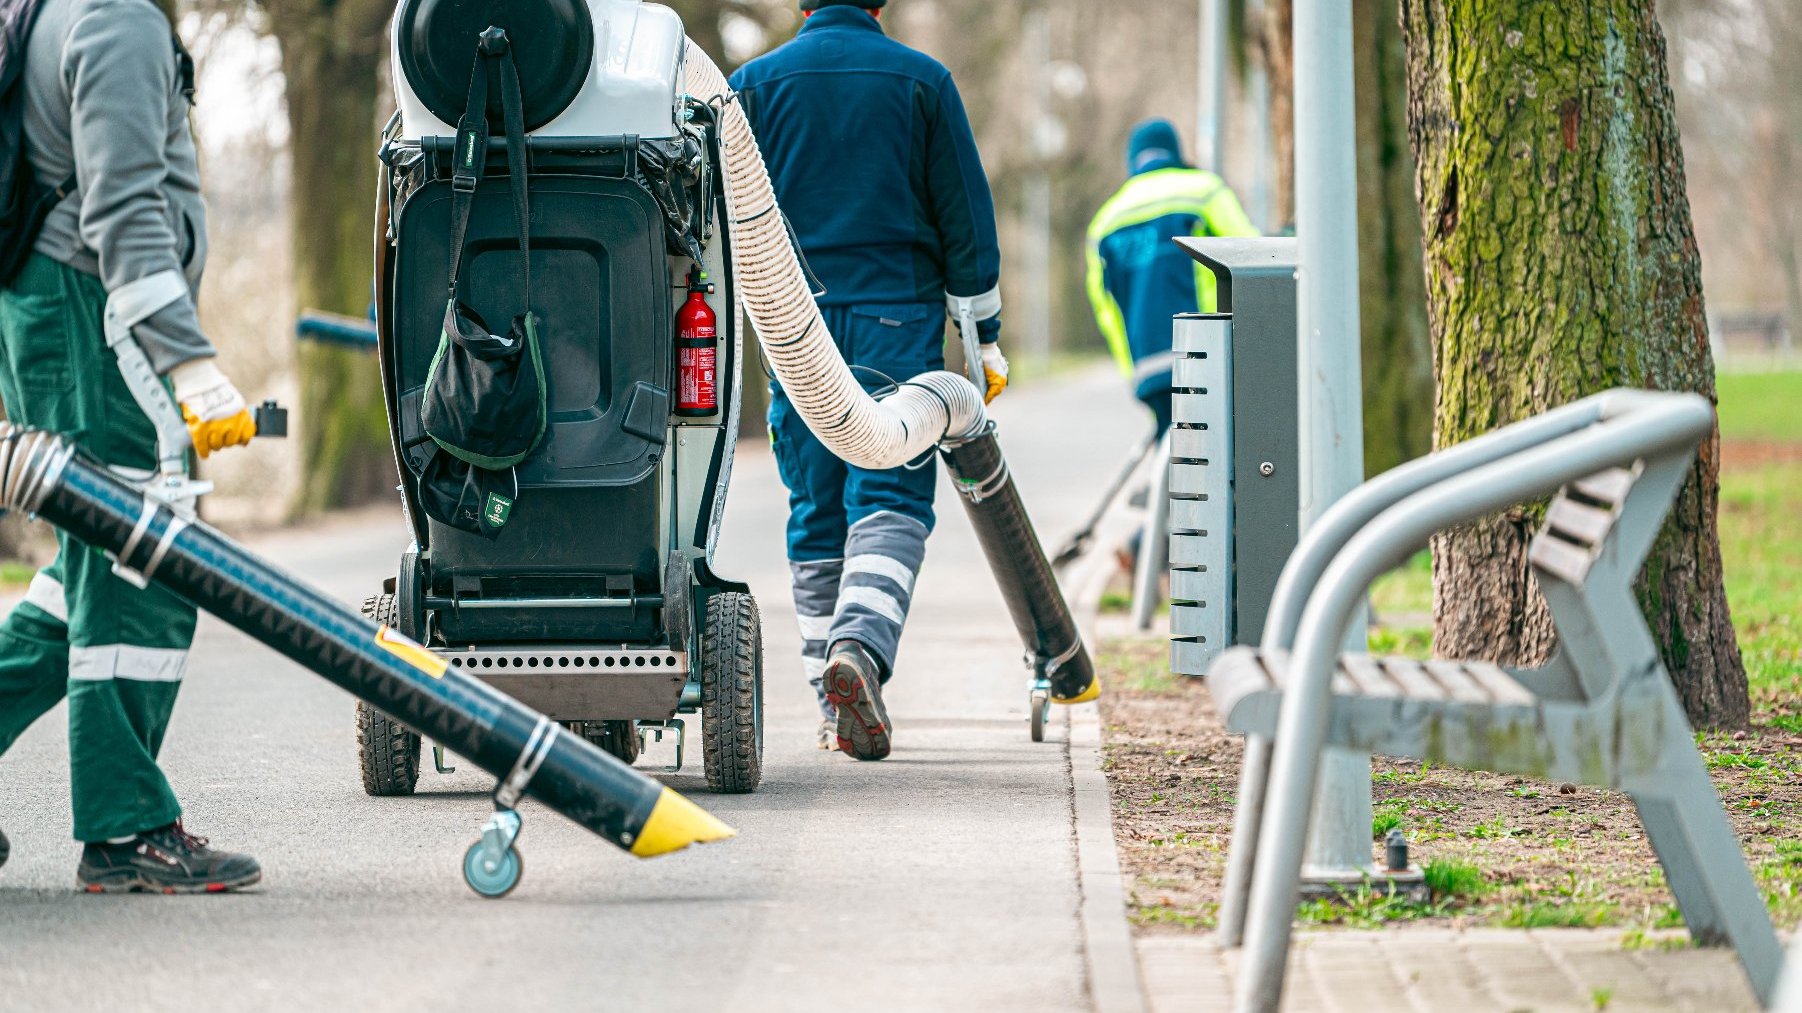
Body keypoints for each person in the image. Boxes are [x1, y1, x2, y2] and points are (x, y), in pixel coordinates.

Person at [0, 0, 260, 893]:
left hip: (52, 313)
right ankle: (126, 830)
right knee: (142, 565)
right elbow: (122, 211)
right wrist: (189, 365)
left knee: (84, 571)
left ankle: (124, 820)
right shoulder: (115, 19)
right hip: (98, 324)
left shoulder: (48, 10)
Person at [730, 0, 1006, 761]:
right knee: (887, 495)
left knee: (815, 505)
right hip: (896, 323)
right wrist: (983, 338)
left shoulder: (750, 87)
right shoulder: (922, 81)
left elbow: (718, 216)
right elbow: (966, 224)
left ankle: (831, 697)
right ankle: (860, 645)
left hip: (794, 325)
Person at [1085, 118, 1258, 437]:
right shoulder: (1204, 192)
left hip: (1150, 370)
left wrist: (1134, 370)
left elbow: (1105, 308)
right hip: (1210, 359)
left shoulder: (1105, 222)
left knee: (1178, 463)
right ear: (1175, 151)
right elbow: (1253, 259)